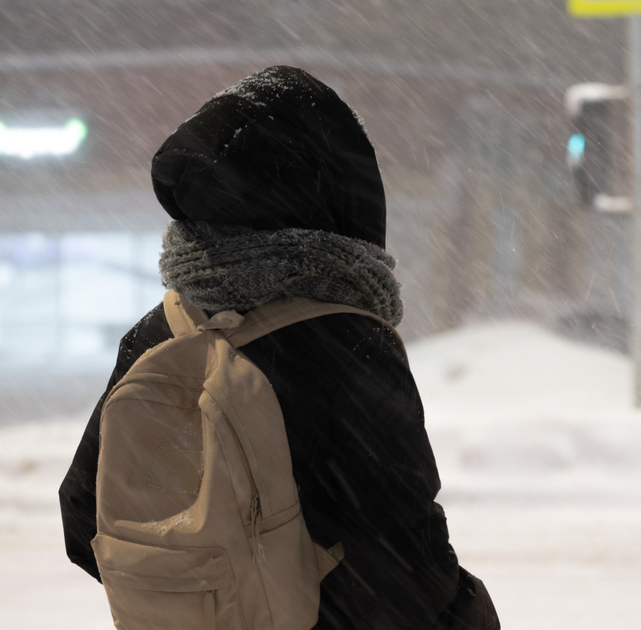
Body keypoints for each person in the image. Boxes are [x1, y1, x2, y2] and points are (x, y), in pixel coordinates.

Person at [58, 65, 500, 629]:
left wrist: (207, 594)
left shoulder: (157, 332)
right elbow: (404, 563)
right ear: (337, 190)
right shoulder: (349, 342)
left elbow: (82, 519)